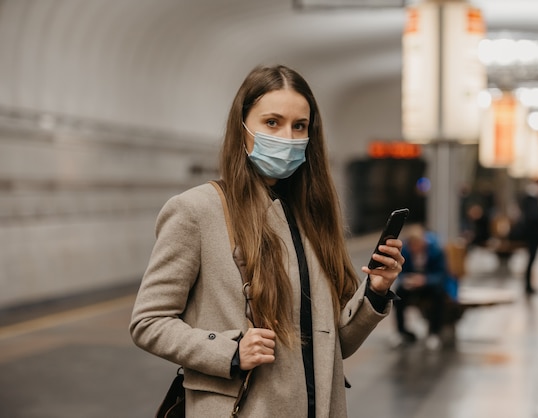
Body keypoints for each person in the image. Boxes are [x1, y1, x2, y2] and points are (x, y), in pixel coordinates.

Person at [129, 64, 405, 418]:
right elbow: (148, 322)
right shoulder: (196, 211)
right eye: (272, 122)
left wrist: (375, 291)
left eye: (299, 126)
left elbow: (335, 345)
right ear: (242, 128)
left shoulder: (312, 218)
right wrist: (229, 350)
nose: (287, 138)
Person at [393, 224, 457, 349]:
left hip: (430, 284)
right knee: (398, 293)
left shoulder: (436, 251)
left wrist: (425, 280)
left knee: (438, 295)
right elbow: (400, 271)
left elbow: (442, 274)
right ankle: (401, 332)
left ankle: (434, 332)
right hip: (413, 285)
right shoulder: (406, 251)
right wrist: (407, 279)